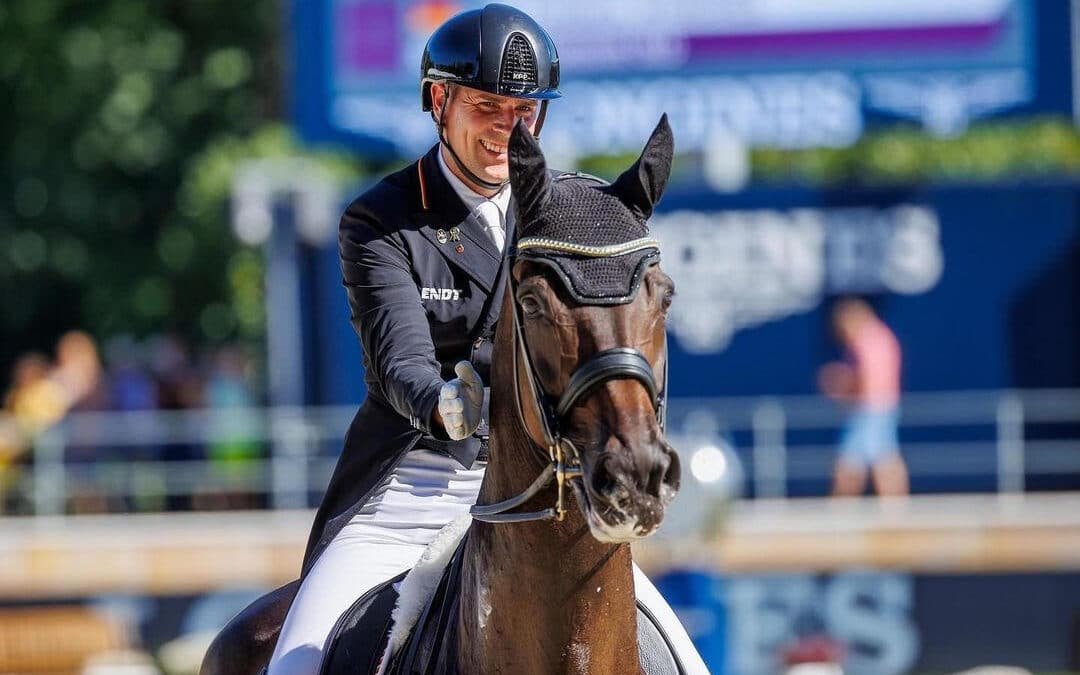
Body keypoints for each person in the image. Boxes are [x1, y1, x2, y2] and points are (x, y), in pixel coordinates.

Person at [267, 5, 708, 673]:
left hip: (545, 495)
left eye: (524, 110)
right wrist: (444, 401)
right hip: (411, 497)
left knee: (684, 658)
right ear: (439, 100)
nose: (508, 126)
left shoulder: (575, 212)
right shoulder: (384, 220)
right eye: (488, 105)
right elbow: (398, 362)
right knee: (295, 663)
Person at [818, 297, 910, 497]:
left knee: (850, 463)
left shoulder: (865, 339)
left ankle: (840, 512)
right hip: (884, 406)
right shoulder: (883, 336)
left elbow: (865, 378)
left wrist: (840, 384)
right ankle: (896, 510)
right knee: (884, 460)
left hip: (867, 410)